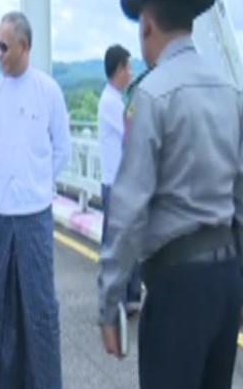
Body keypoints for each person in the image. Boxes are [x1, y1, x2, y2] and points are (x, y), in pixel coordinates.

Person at [97, 0, 243, 388]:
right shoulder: (230, 90)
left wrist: (109, 300)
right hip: (224, 281)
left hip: (177, 287)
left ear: (146, 25)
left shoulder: (150, 95)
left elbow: (129, 207)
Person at [0, 11, 71, 389]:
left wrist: (36, 182)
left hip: (34, 215)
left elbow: (62, 149)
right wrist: (6, 182)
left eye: (4, 46)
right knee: (5, 305)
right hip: (1, 214)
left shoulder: (48, 91)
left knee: (40, 307)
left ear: (24, 45)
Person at [97, 44, 142, 315]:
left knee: (129, 242)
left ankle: (130, 297)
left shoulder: (115, 101)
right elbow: (131, 135)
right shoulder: (110, 103)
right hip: (115, 185)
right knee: (117, 246)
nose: (131, 73)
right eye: (129, 67)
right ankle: (114, 301)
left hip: (122, 183)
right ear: (120, 69)